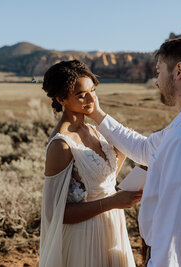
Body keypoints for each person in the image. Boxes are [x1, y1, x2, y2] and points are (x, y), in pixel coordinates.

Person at [87, 37, 181, 266]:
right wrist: (98, 115)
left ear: (179, 71)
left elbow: (178, 229)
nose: (156, 81)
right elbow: (144, 149)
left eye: (159, 71)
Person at [38, 60, 142, 267]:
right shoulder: (62, 144)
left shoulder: (93, 130)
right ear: (61, 99)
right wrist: (112, 202)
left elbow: (102, 181)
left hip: (113, 227)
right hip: (84, 239)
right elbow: (54, 213)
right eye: (81, 94)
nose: (91, 98)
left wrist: (121, 151)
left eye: (93, 90)